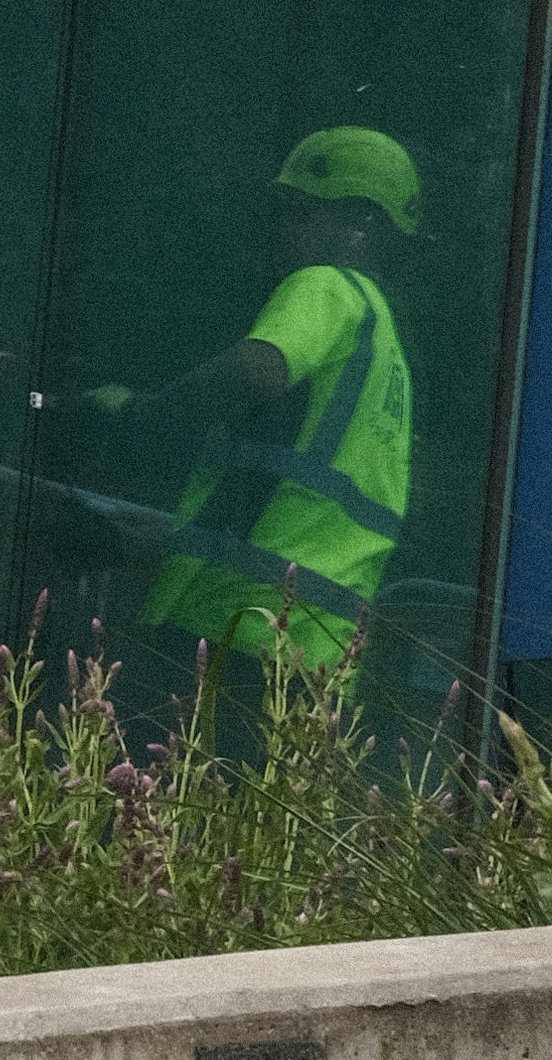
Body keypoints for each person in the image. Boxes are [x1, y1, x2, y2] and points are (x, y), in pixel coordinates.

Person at [87, 125, 418, 685]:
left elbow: (254, 370)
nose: (280, 231)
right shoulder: (388, 356)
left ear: (362, 222)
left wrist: (142, 415)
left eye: (299, 213)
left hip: (235, 624)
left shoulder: (327, 286)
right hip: (320, 660)